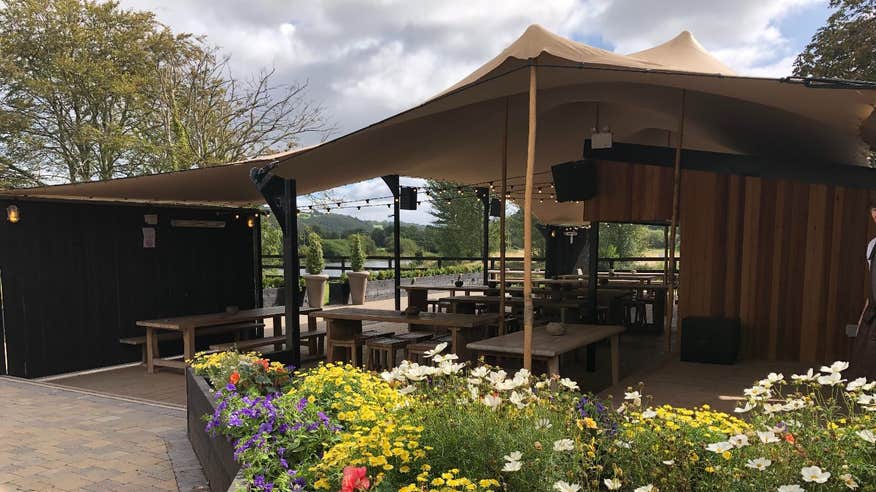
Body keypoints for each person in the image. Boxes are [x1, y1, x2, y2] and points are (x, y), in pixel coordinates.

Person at [851, 203, 876, 378]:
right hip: (872, 312)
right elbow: (872, 284)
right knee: (861, 363)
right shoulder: (872, 245)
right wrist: (863, 314)